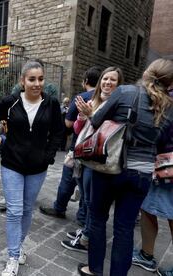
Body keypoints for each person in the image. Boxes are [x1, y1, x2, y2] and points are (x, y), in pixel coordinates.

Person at [77, 58, 173, 276]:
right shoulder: (169, 106)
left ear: (147, 73)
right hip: (143, 172)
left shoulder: (126, 92)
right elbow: (162, 141)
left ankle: (95, 270)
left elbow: (97, 119)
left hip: (111, 166)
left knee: (99, 219)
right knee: (125, 228)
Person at [0, 61, 64, 276]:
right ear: (22, 81)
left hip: (38, 167)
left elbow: (58, 133)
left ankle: (18, 246)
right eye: (32, 79)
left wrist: (48, 156)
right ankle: (13, 256)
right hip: (12, 164)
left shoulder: (51, 103)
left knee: (27, 210)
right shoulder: (11, 101)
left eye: (40, 79)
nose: (37, 83)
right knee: (15, 211)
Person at [60, 67, 124, 254]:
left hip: (98, 160)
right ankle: (86, 232)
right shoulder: (94, 100)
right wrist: (81, 116)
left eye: (113, 80)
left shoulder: (117, 105)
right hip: (83, 157)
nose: (107, 82)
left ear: (119, 84)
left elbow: (107, 132)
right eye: (105, 79)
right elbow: (78, 129)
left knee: (93, 201)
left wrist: (90, 115)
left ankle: (87, 238)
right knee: (87, 199)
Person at [39, 66, 101, 223]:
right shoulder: (105, 98)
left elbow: (67, 123)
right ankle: (82, 217)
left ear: (85, 81)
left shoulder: (81, 97)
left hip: (78, 148)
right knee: (87, 187)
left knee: (68, 180)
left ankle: (59, 207)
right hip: (97, 150)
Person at [132, 92, 173, 276]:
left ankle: (146, 255)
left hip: (166, 163)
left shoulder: (168, 99)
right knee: (150, 208)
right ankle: (146, 254)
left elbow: (162, 131)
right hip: (165, 162)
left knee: (150, 208)